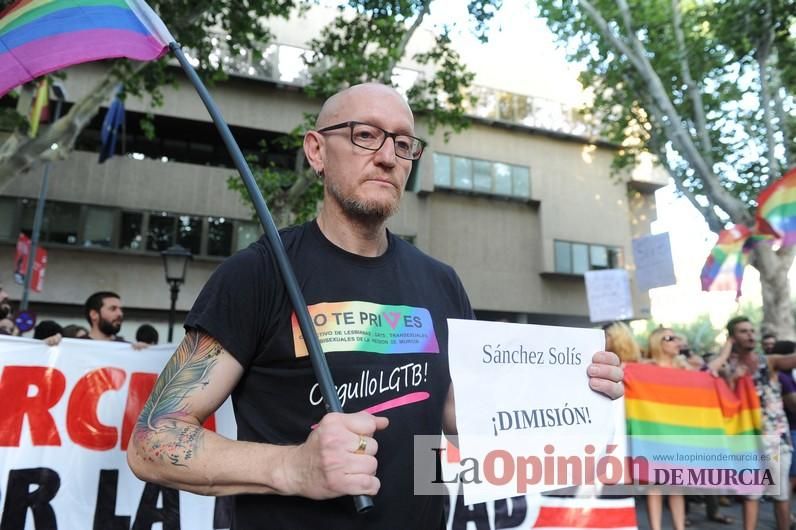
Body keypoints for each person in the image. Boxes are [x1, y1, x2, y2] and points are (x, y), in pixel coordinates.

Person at [127, 83, 624, 529]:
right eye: (366, 135)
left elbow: (453, 412)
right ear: (317, 151)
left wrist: (569, 394)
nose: (388, 156)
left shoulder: (441, 282)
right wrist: (291, 468)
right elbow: (152, 441)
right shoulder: (257, 275)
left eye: (403, 144)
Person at [721, 317, 795, 530]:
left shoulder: (768, 361)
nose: (751, 335)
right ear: (732, 337)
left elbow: (792, 359)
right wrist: (732, 374)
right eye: (744, 331)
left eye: (752, 330)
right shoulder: (726, 367)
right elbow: (710, 375)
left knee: (781, 495)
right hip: (746, 442)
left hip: (776, 440)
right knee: (750, 495)